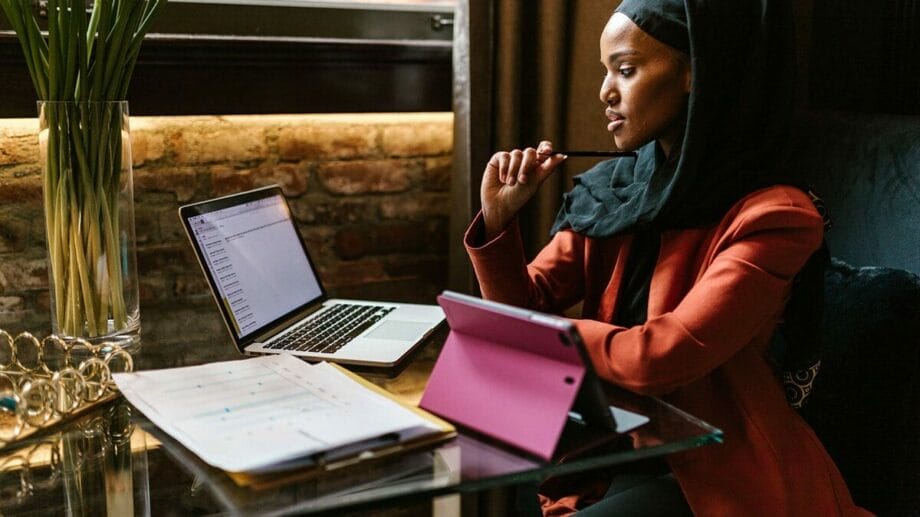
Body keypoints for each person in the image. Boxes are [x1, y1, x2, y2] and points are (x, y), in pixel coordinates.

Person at [464, 0, 871, 515]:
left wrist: (539, 334)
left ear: (694, 73)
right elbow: (520, 305)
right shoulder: (608, 194)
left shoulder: (776, 215)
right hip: (606, 451)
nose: (605, 93)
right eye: (604, 71)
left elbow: (662, 358)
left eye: (626, 70)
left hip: (721, 473)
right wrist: (498, 221)